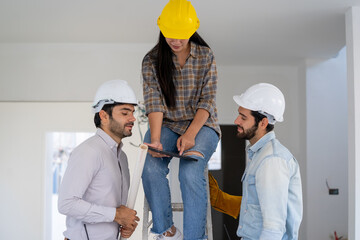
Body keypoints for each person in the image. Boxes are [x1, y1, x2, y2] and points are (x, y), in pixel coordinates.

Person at [141, 0, 221, 239]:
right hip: (167, 124)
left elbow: (207, 101)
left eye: (181, 37)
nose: (175, 42)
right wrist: (155, 140)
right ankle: (165, 227)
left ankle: (194, 237)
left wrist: (190, 134)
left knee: (189, 172)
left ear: (192, 30)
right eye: (170, 36)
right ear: (162, 29)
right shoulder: (151, 60)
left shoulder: (205, 56)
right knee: (149, 166)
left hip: (202, 125)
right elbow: (154, 103)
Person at [58, 80, 140, 240]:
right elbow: (66, 203)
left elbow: (115, 211)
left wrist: (124, 223)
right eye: (125, 113)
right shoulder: (88, 151)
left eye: (132, 112)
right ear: (103, 115)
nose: (132, 119)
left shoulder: (121, 157)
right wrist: (116, 215)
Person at [229, 83, 303, 239]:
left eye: (243, 117)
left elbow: (273, 228)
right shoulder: (259, 155)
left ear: (263, 123)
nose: (236, 121)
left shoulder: (271, 160)